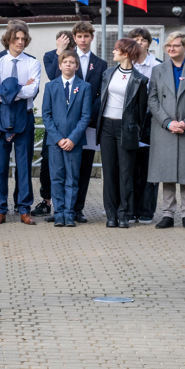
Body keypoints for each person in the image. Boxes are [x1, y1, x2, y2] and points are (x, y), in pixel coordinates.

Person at [147, 32, 185, 230]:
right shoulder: (158, 70)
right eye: (168, 46)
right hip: (165, 129)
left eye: (175, 45)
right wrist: (167, 122)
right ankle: (167, 215)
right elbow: (152, 99)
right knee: (167, 172)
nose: (171, 49)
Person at [0, 21, 40, 225]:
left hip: (24, 116)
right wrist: (20, 87)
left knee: (24, 166)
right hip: (1, 116)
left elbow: (33, 91)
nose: (20, 42)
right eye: (16, 38)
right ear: (8, 39)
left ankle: (24, 208)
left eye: (23, 39)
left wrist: (8, 89)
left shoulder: (33, 63)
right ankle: (0, 208)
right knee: (0, 166)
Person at [96, 38, 148, 229]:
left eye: (116, 50)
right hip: (107, 128)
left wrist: (134, 129)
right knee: (109, 172)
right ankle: (111, 215)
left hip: (127, 129)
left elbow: (142, 111)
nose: (113, 52)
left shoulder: (140, 80)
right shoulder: (108, 73)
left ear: (125, 53)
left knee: (126, 173)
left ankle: (124, 214)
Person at [41, 52, 92, 227]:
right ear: (60, 66)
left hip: (74, 142)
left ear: (77, 66)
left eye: (72, 62)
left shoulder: (84, 87)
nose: (68, 65)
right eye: (65, 62)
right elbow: (46, 115)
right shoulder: (50, 86)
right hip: (55, 142)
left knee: (72, 178)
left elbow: (85, 116)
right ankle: (59, 212)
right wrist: (58, 138)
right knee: (56, 178)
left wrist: (72, 139)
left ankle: (69, 213)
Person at [34, 29, 77, 219]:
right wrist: (59, 52)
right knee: (47, 163)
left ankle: (70, 207)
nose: (64, 42)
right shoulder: (50, 56)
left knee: (71, 169)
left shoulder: (76, 59)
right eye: (60, 40)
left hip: (72, 122)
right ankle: (47, 200)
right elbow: (53, 78)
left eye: (67, 40)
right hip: (54, 124)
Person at [70, 21, 107, 223]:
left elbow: (101, 94)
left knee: (84, 167)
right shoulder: (66, 58)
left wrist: (88, 116)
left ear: (92, 38)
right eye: (79, 36)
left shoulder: (100, 64)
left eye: (86, 36)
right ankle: (64, 207)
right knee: (67, 167)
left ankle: (78, 208)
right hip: (68, 123)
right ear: (74, 38)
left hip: (90, 123)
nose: (83, 40)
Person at [128, 27, 161, 224]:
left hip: (151, 121)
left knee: (149, 168)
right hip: (130, 122)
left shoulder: (158, 66)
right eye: (135, 40)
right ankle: (130, 209)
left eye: (143, 40)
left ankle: (147, 210)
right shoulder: (126, 65)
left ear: (148, 43)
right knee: (130, 167)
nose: (139, 43)